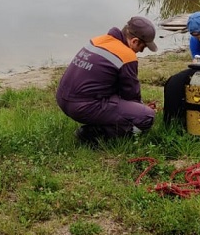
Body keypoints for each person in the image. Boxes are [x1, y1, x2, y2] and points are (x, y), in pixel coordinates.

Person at [56, 16, 158, 144]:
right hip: (83, 107)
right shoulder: (126, 55)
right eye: (142, 47)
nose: (141, 52)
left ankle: (97, 127)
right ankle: (94, 134)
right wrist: (140, 109)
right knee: (146, 117)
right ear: (135, 41)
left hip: (62, 99)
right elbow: (130, 95)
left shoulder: (98, 40)